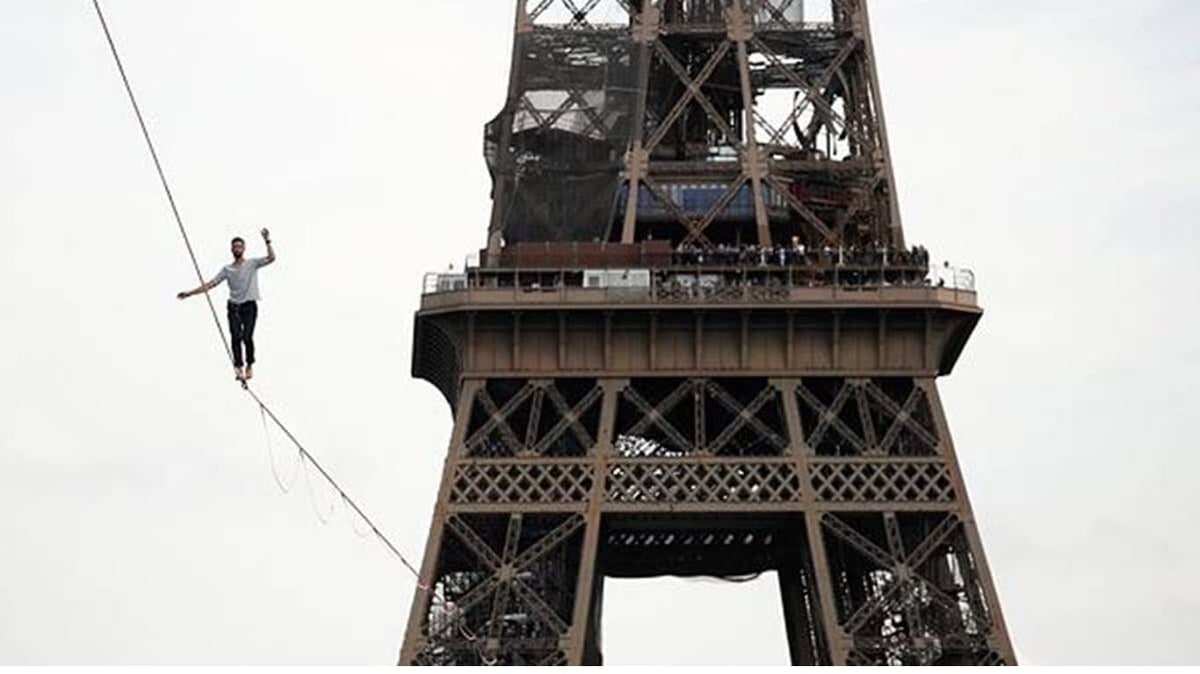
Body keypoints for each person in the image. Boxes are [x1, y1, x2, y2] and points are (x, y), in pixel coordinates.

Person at [177, 228, 276, 383]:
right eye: (235, 246)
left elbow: (271, 258)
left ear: (244, 249)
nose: (237, 249)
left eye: (240, 246)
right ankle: (239, 368)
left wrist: (267, 240)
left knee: (247, 337)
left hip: (249, 306)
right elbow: (211, 284)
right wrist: (190, 293)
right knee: (235, 337)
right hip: (234, 307)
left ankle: (250, 364)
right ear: (232, 249)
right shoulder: (227, 270)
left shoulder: (252, 263)